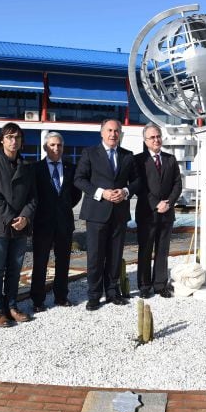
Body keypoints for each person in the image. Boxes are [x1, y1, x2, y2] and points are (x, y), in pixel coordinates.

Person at [74, 119, 138, 311]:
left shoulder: (128, 156)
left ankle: (112, 291)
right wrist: (101, 192)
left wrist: (125, 191)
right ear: (102, 133)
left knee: (115, 255)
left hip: (119, 214)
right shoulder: (90, 153)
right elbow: (79, 179)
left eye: (116, 131)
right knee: (95, 256)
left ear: (120, 134)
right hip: (96, 213)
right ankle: (94, 295)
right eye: (109, 130)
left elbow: (137, 182)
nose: (113, 134)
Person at [0, 123, 36, 327]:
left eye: (17, 137)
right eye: (10, 137)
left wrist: (25, 218)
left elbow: (33, 197)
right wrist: (12, 218)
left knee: (15, 268)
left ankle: (12, 305)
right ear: (1, 140)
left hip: (21, 226)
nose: (14, 141)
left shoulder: (27, 166)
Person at [30, 132, 82, 312]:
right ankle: (37, 300)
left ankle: (61, 296)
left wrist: (62, 208)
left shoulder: (71, 168)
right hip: (42, 223)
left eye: (59, 145)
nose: (56, 148)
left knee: (63, 262)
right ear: (45, 147)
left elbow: (75, 195)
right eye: (52, 145)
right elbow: (33, 196)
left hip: (64, 223)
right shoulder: (35, 169)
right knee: (40, 262)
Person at [134, 124, 182, 299]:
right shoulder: (138, 160)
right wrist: (156, 204)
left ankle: (160, 285)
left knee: (163, 250)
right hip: (147, 213)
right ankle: (144, 285)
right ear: (146, 141)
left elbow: (178, 183)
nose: (156, 140)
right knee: (145, 250)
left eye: (158, 136)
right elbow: (139, 186)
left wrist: (169, 202)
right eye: (152, 137)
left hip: (167, 213)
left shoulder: (170, 159)